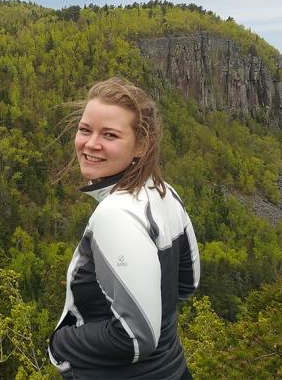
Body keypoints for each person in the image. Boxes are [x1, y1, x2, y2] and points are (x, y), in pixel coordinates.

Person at [48, 78, 201, 379]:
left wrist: (60, 344)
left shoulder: (116, 215)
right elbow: (187, 283)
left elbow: (134, 338)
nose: (91, 144)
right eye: (85, 130)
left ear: (141, 145)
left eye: (110, 135)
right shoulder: (164, 192)